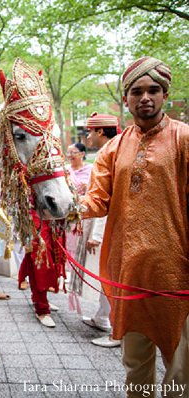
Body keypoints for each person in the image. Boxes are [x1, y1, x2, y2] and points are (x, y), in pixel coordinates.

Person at [81, 56, 188, 398]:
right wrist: (65, 208)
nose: (146, 97)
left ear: (165, 94)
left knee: (181, 370)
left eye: (154, 90)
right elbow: (96, 201)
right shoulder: (113, 148)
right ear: (125, 99)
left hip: (178, 276)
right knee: (136, 365)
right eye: (137, 91)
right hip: (128, 272)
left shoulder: (184, 139)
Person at [69, 113, 121, 348]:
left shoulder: (111, 153)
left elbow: (107, 199)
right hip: (101, 223)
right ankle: (102, 317)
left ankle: (116, 330)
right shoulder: (110, 151)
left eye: (89, 132)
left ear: (100, 132)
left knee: (111, 275)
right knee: (105, 274)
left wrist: (97, 234)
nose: (87, 136)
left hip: (108, 225)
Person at [19, 211, 66, 328]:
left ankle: (39, 297)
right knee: (40, 255)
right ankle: (42, 308)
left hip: (55, 212)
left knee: (55, 253)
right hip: (34, 211)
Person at [64, 143, 92, 274]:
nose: (69, 156)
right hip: (68, 213)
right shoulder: (65, 170)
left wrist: (87, 188)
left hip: (84, 213)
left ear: (82, 154)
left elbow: (95, 189)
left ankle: (81, 270)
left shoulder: (91, 170)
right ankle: (68, 270)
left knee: (81, 242)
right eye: (68, 153)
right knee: (68, 241)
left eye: (73, 152)